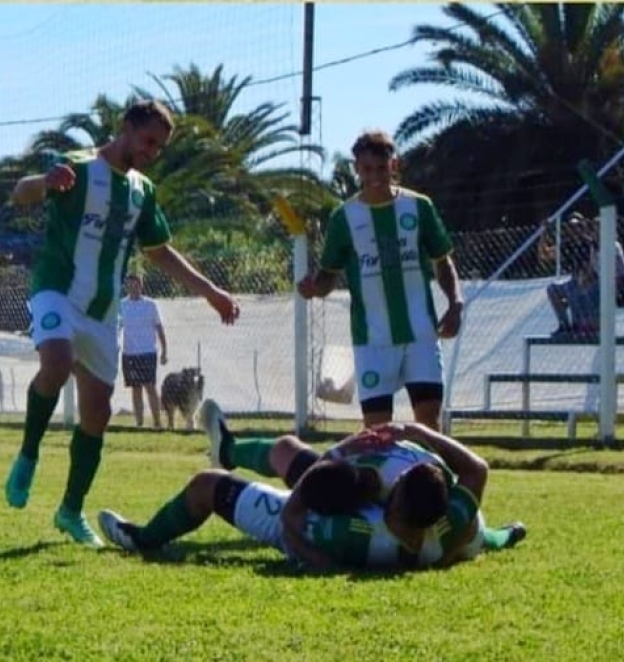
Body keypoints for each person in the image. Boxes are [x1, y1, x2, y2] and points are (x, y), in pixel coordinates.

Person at [3, 99, 241, 548]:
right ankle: (28, 455)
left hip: (103, 311)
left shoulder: (141, 190)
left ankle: (70, 511)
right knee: (56, 362)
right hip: (57, 289)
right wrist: (45, 182)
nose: (152, 152)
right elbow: (21, 193)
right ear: (125, 128)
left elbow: (159, 251)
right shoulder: (76, 167)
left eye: (159, 147)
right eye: (148, 141)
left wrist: (210, 291)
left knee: (98, 413)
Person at [199, 399, 526, 569]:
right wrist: (416, 432)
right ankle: (226, 450)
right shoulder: (445, 516)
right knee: (481, 536)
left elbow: (297, 520)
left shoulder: (373, 536)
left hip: (361, 482)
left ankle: (227, 451)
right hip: (445, 508)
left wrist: (340, 450)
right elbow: (477, 470)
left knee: (284, 451)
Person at [297, 130, 463, 431]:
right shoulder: (344, 218)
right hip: (372, 342)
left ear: (394, 165)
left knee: (429, 424)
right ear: (356, 169)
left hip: (421, 335)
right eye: (367, 169)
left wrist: (455, 304)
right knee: (377, 431)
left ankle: (431, 464)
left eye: (382, 168)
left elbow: (442, 260)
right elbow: (327, 276)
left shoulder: (419, 207)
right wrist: (313, 288)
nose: (375, 176)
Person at [119, 273, 168, 428]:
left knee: (150, 387)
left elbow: (159, 327)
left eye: (136, 285)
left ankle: (157, 423)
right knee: (135, 388)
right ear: (126, 287)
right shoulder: (121, 305)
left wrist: (164, 350)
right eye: (130, 285)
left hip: (148, 352)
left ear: (141, 286)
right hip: (129, 353)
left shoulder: (150, 305)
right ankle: (139, 423)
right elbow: (116, 328)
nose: (133, 288)